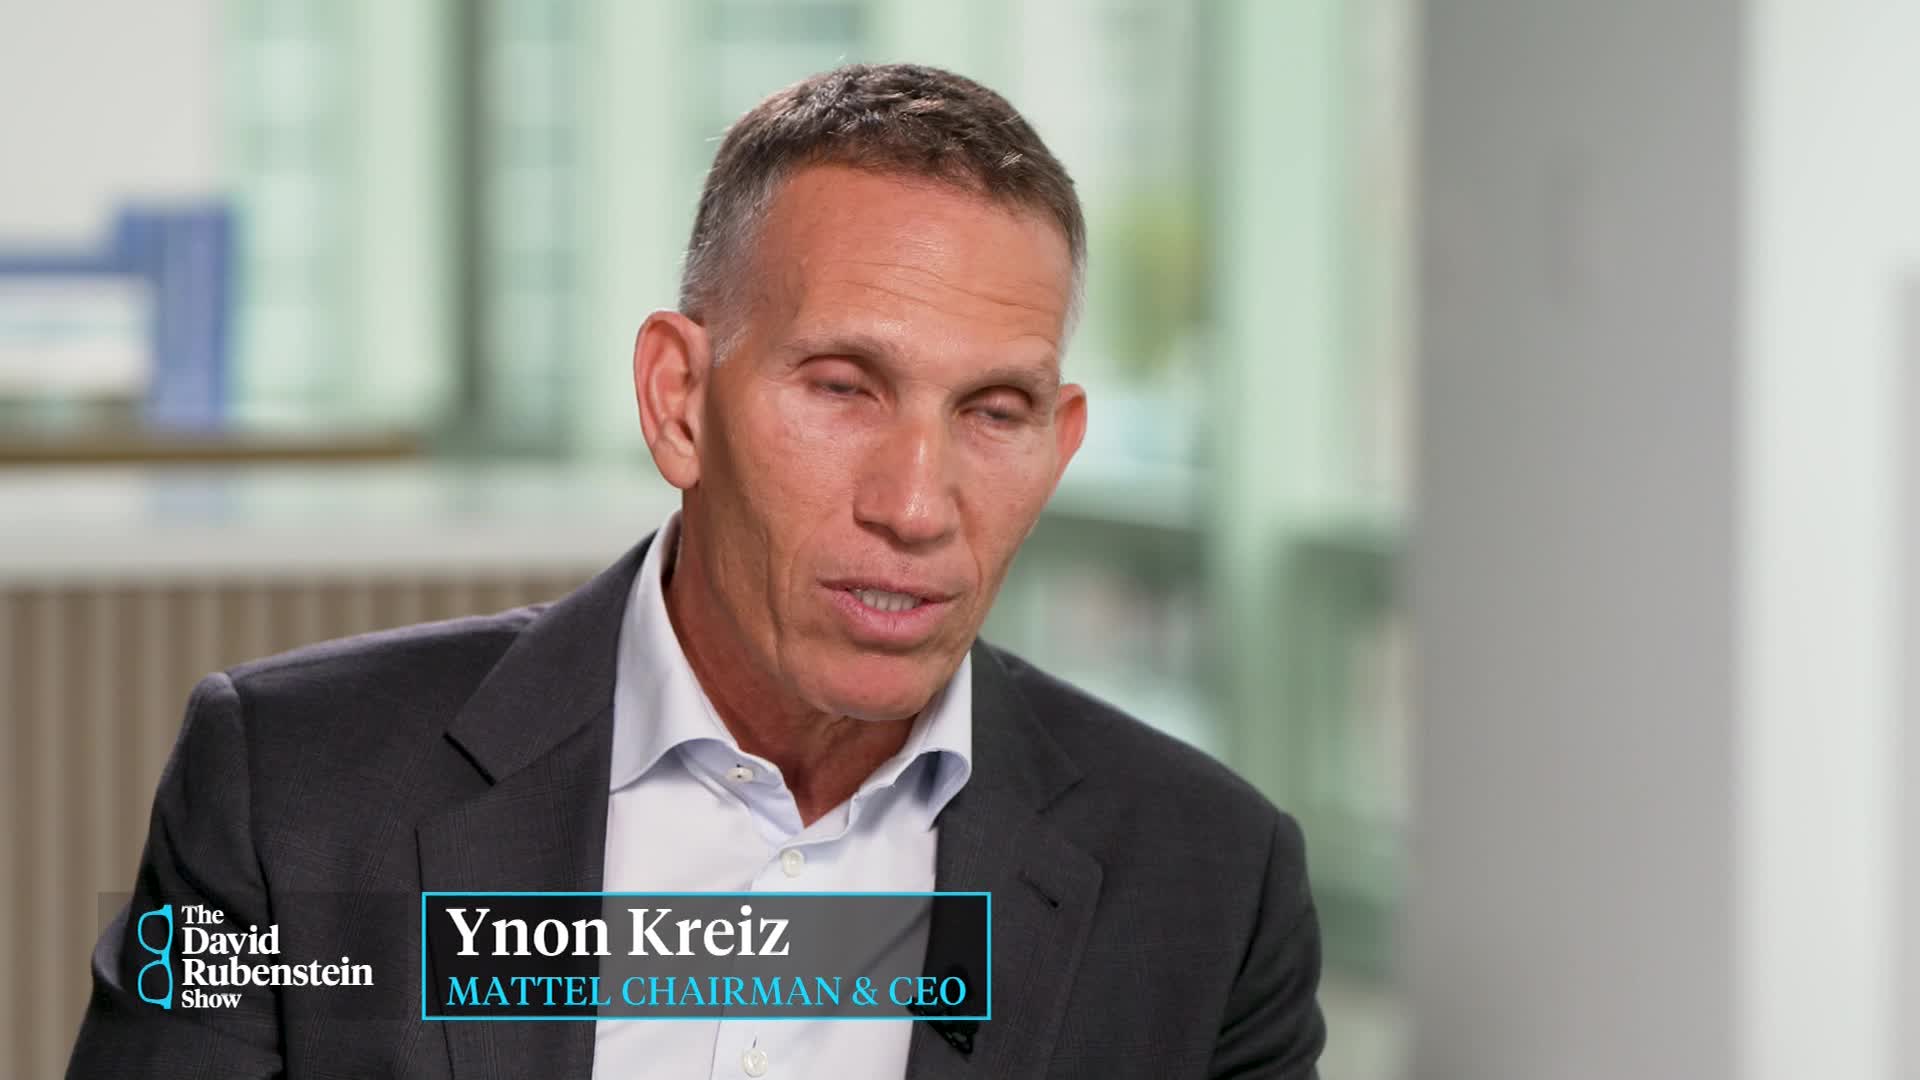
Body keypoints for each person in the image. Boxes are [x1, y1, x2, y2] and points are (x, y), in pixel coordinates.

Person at [68, 63, 1324, 1079]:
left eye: (995, 412)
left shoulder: (1212, 886)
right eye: (843, 388)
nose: (914, 506)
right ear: (679, 401)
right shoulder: (292, 790)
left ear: (1057, 451)